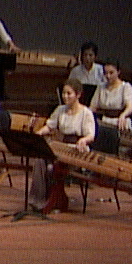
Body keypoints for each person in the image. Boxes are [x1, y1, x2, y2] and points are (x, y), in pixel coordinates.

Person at [32, 82, 96, 211]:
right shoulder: (60, 109)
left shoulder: (86, 113)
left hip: (77, 150)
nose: (65, 96)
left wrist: (83, 140)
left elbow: (91, 135)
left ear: (78, 95)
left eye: (69, 93)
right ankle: (38, 201)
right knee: (39, 160)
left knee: (53, 167)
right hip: (60, 146)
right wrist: (39, 133)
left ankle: (55, 199)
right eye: (63, 93)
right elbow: (50, 126)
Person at [90, 60, 132, 131]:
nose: (108, 76)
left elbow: (129, 107)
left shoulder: (126, 87)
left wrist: (123, 115)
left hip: (120, 121)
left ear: (118, 72)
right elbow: (93, 107)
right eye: (105, 73)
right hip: (103, 121)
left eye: (111, 73)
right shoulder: (101, 87)